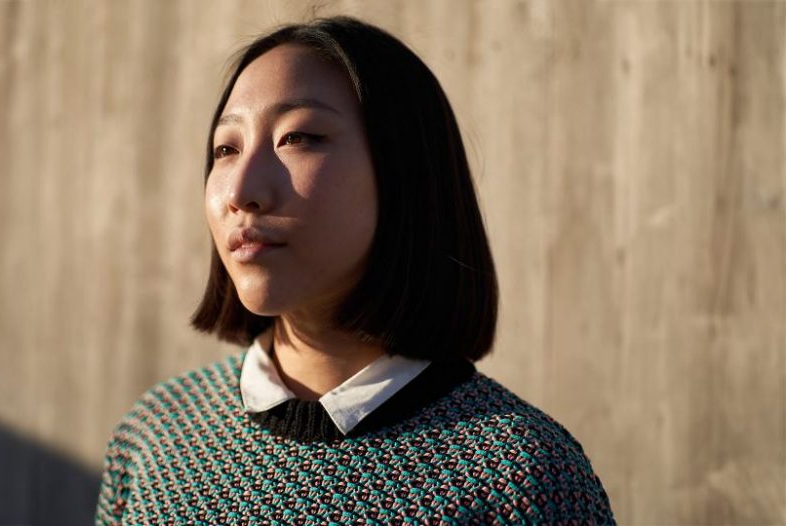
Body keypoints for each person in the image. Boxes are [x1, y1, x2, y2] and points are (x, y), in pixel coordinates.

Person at [95, 15, 615, 525]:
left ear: (404, 174)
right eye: (226, 149)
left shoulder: (524, 477)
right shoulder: (155, 437)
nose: (239, 191)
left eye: (298, 138)